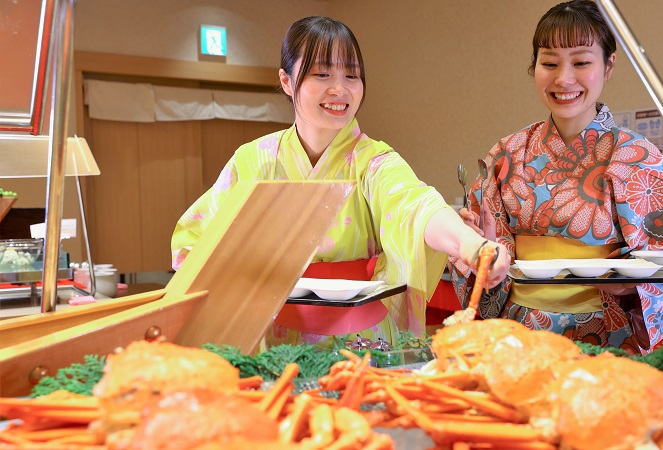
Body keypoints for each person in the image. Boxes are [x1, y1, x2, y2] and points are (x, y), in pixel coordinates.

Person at [171, 16, 509, 347]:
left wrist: (470, 245)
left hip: (361, 336)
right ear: (287, 81)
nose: (340, 89)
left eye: (352, 75)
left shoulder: (373, 160)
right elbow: (199, 244)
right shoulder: (253, 161)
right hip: (274, 333)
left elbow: (415, 205)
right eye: (321, 73)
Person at [449, 0, 663, 354]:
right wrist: (475, 245)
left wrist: (633, 283)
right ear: (535, 67)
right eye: (549, 63)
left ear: (608, 66)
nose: (563, 79)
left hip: (604, 330)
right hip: (518, 330)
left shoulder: (637, 158)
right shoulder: (507, 153)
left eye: (581, 62)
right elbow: (484, 258)